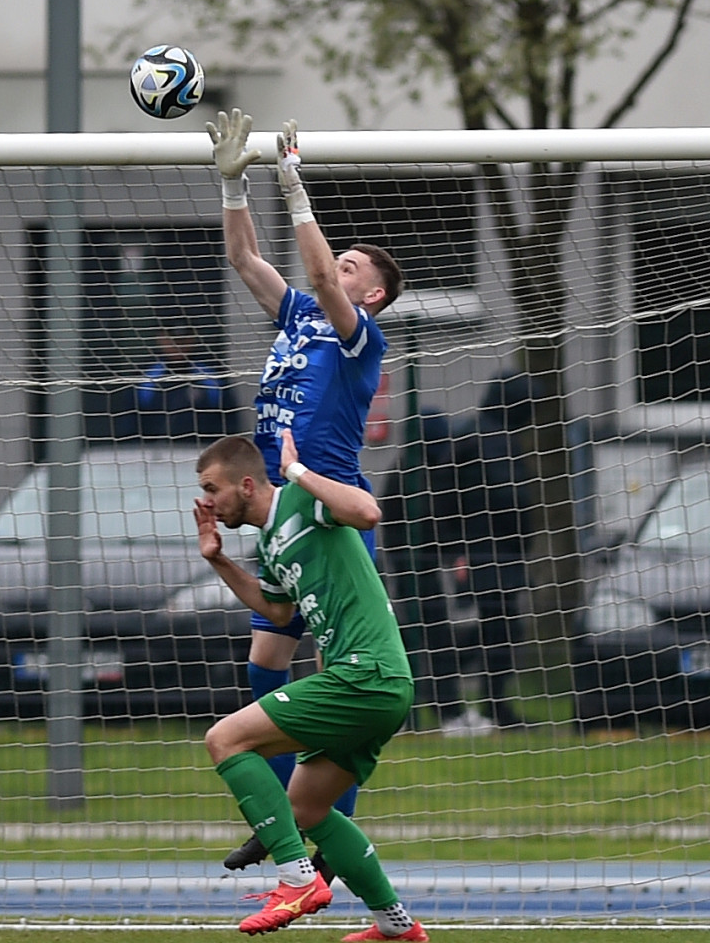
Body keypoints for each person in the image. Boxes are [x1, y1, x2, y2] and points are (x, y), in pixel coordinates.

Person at [205, 109, 404, 870]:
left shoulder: (360, 337)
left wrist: (295, 187)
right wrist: (233, 183)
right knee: (266, 659)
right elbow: (244, 256)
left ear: (374, 297)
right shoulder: (296, 317)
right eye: (343, 260)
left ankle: (309, 830)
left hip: (329, 504)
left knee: (337, 678)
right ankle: (294, 818)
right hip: (282, 503)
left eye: (358, 268)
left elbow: (319, 275)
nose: (341, 267)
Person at [195, 431, 427, 942]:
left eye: (212, 488)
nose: (206, 500)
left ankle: (296, 879)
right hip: (376, 683)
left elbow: (367, 513)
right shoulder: (268, 543)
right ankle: (395, 926)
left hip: (365, 675)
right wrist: (217, 558)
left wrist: (298, 471)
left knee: (226, 739)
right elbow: (278, 610)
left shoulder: (302, 499)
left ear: (248, 485)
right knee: (307, 808)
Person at [382, 371, 541, 736]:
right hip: (465, 558)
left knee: (494, 629)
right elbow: (437, 507)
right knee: (470, 630)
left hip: (475, 556)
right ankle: (450, 697)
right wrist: (456, 551)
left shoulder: (487, 440)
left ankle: (468, 697)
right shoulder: (471, 444)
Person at [135, 322, 241, 441]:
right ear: (160, 339)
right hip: (152, 453)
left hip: (201, 449)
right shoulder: (145, 376)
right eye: (172, 341)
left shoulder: (211, 376)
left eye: (183, 341)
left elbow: (228, 420)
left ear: (193, 339)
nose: (177, 347)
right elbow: (130, 419)